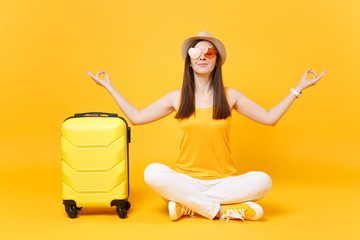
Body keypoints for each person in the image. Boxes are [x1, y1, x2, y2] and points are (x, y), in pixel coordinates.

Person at [85, 31, 328, 221]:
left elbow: (270, 118)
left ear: (217, 62)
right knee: (152, 172)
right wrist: (110, 87)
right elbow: (137, 118)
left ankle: (188, 206)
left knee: (263, 181)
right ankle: (220, 211)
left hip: (225, 182)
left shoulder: (230, 95)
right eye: (195, 52)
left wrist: (298, 89)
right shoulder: (176, 97)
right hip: (185, 180)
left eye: (209, 53)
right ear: (189, 62)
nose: (201, 56)